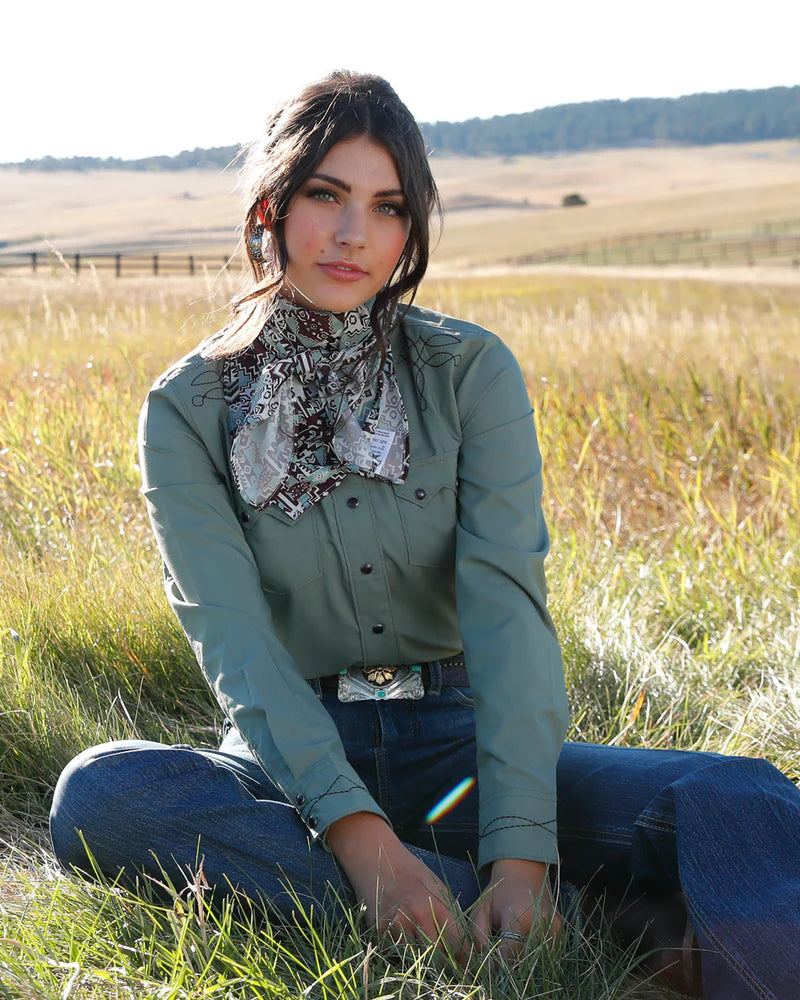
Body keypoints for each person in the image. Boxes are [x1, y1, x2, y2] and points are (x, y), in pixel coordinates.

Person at [50, 71, 800, 999]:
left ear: (411, 229)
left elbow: (507, 614)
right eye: (325, 195)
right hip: (289, 767)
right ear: (271, 208)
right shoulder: (188, 407)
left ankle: (561, 914)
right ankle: (607, 927)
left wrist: (522, 855)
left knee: (740, 796)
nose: (354, 233)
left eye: (388, 206)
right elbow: (236, 644)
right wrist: (364, 846)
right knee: (104, 796)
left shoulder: (468, 371)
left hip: (460, 747)